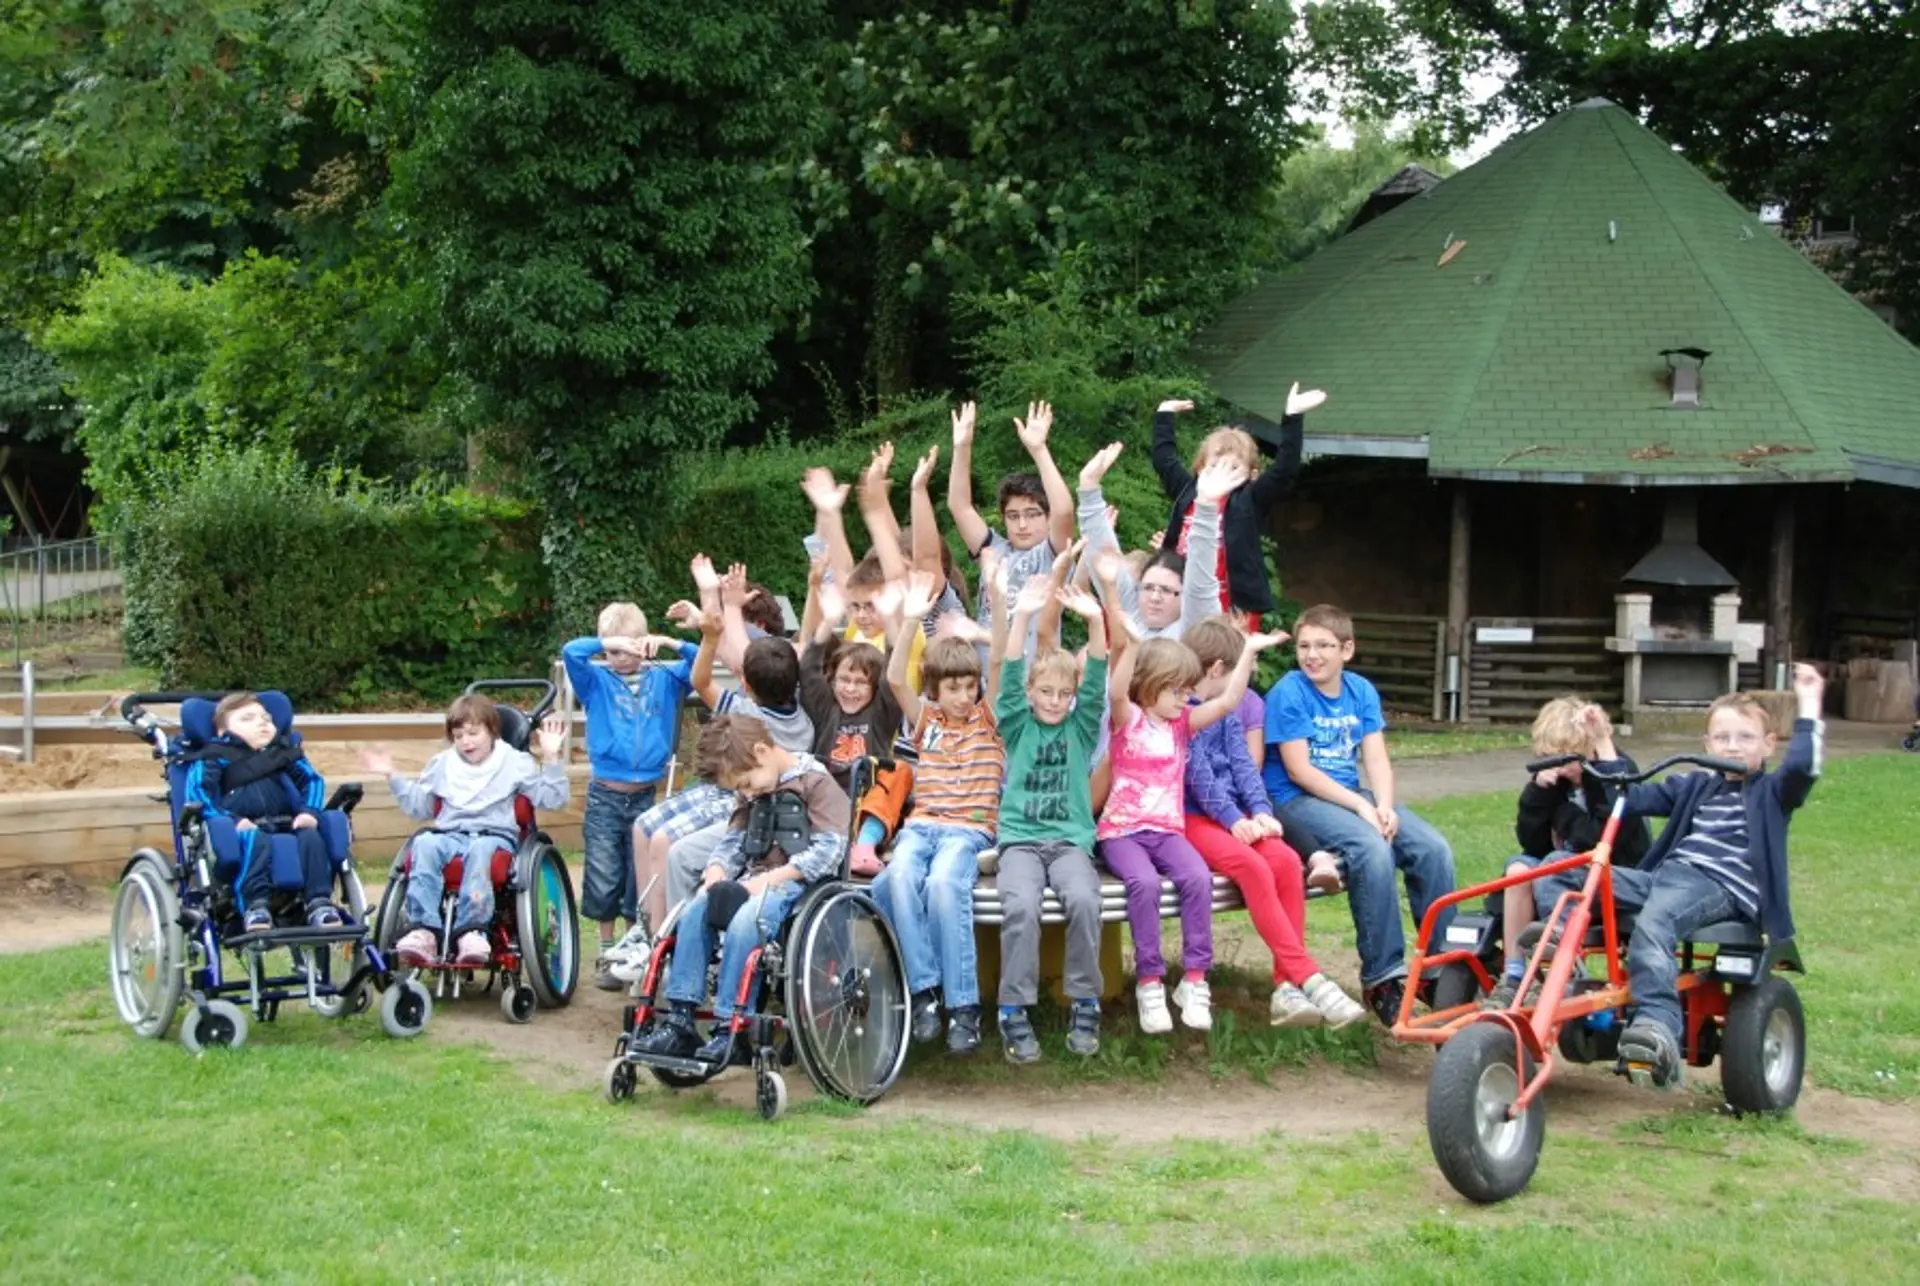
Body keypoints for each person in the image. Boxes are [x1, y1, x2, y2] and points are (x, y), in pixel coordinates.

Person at [1533, 667, 1825, 1087]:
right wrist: (1601, 741)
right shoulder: (1695, 786)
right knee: (1555, 871)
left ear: (1768, 745)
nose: (1732, 747)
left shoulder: (1773, 793)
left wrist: (1810, 704)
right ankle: (1559, 952)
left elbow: (1802, 768)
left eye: (1745, 738)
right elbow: (1627, 795)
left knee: (1657, 919)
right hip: (1665, 879)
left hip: (1719, 886)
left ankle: (1658, 1025)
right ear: (1706, 745)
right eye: (1722, 738)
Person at [604, 558, 815, 984]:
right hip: (725, 791)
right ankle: (649, 936)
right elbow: (794, 640)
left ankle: (667, 942)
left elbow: (704, 678)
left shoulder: (748, 712)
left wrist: (709, 625)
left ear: (748, 687)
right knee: (644, 826)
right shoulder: (799, 718)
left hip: (741, 802)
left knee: (660, 838)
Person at [1264, 603, 1457, 1027]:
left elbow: (1376, 756)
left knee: (1432, 847)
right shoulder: (1289, 692)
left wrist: (1384, 805)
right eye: (1304, 646)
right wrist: (1361, 807)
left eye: (1324, 646)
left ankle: (1442, 970)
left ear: (1346, 650)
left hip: (1352, 795)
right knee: (1372, 848)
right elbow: (1299, 770)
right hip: (1297, 799)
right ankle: (1383, 978)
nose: (1312, 655)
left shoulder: (1360, 691)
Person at [630, 715, 851, 1066]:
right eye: (740, 789)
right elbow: (734, 842)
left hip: (798, 885)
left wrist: (767, 881)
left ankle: (732, 1026)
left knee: (748, 918)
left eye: (747, 783)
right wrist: (716, 871)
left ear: (762, 751)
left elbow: (829, 851)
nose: (747, 793)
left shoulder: (816, 783)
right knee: (696, 909)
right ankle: (681, 1017)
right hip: (752, 881)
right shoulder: (751, 793)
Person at [1099, 625, 1286, 1034]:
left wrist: (1250, 650)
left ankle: (1195, 980)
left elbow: (1228, 701)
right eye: (1178, 691)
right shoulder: (1127, 720)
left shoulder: (1181, 725)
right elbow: (1116, 692)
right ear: (1151, 686)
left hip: (1167, 831)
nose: (1186, 698)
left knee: (1197, 878)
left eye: (1188, 691)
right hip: (1123, 832)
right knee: (1144, 883)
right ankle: (1150, 982)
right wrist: (1131, 645)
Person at [1180, 618, 1366, 1028]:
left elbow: (1244, 765)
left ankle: (1286, 988)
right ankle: (1310, 977)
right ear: (1215, 671)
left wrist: (1260, 810)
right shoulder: (1180, 712)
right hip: (1192, 818)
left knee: (1283, 860)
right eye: (1235, 675)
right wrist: (1232, 821)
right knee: (1251, 866)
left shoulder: (1227, 712)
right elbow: (1197, 777)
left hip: (1234, 815)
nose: (1239, 689)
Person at [872, 573, 1006, 1057]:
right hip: (923, 825)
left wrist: (998, 605)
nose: (962, 697)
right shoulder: (925, 718)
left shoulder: (988, 721)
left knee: (946, 885)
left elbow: (1004, 660)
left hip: (967, 831)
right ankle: (925, 992)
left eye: (969, 687)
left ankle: (964, 1007)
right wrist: (910, 619)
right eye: (952, 688)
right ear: (935, 689)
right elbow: (892, 678)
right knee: (901, 874)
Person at [992, 577, 1110, 1063]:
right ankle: (1013, 1010)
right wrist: (1022, 614)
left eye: (1064, 693)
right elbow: (1010, 665)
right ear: (1031, 692)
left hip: (1068, 843)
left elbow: (1100, 670)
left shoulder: (1082, 727)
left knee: (1084, 898)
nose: (1055, 701)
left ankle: (1085, 1001)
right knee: (1020, 907)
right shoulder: (1017, 724)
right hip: (1020, 842)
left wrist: (1096, 619)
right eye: (1046, 691)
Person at [365, 694, 570, 968]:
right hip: (450, 835)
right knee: (424, 844)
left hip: (494, 837)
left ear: (493, 731)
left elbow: (553, 799)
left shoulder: (515, 761)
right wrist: (393, 775)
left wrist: (552, 757)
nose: (466, 741)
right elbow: (420, 807)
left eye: (474, 733)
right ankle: (423, 930)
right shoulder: (442, 764)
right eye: (459, 735)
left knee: (480, 850)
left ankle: (473, 930)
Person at [562, 603, 693, 990]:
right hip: (605, 794)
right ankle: (606, 950)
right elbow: (572, 651)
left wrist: (670, 642)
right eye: (614, 652)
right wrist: (608, 641)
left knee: (641, 879)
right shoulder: (596, 680)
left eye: (629, 648)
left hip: (645, 796)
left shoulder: (665, 678)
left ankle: (634, 949)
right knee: (604, 875)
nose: (621, 658)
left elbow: (702, 659)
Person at [1486, 696, 1648, 1009]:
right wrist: (1538, 792)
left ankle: (1558, 956)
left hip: (1612, 868)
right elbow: (1532, 841)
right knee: (1518, 871)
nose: (1559, 766)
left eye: (1567, 757)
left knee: (1555, 866)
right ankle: (1515, 974)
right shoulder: (1553, 783)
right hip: (1557, 867)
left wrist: (1565, 817)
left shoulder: (1614, 772)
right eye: (1551, 757)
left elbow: (1604, 837)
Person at [1149, 387, 1322, 625]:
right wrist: (1164, 415)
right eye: (1214, 466)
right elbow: (1164, 459)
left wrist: (1292, 417)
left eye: (1233, 469)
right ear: (1200, 469)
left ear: (1251, 475)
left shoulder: (1250, 499)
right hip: (1184, 600)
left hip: (1234, 606)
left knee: (1229, 658)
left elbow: (1284, 470)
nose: (1221, 474)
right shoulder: (1188, 490)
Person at [184, 691, 340, 933]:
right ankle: (256, 906)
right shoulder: (214, 755)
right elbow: (198, 794)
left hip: (288, 823)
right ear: (222, 732)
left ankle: (319, 902)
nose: (262, 722)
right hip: (244, 827)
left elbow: (312, 781)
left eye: (266, 718)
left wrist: (309, 811)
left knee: (311, 835)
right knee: (255, 839)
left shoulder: (284, 752)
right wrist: (232, 821)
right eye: (247, 719)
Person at [1076, 441, 1232, 642]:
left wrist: (1206, 507)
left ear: (1185, 596)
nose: (1155, 597)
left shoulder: (1192, 628)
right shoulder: (1129, 611)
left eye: (1167, 590)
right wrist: (1088, 487)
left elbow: (1201, 578)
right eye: (1148, 587)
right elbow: (1103, 557)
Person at [948, 400, 1075, 636]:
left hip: (1032, 670)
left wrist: (1039, 450)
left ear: (1048, 518)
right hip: (986, 670)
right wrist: (962, 447)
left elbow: (1064, 511)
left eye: (1033, 514)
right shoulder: (993, 549)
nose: (1022, 525)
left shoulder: (1052, 554)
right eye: (1013, 516)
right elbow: (959, 506)